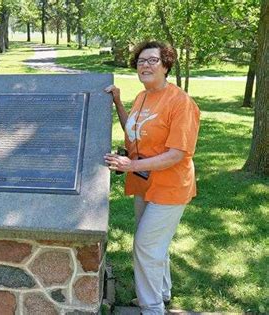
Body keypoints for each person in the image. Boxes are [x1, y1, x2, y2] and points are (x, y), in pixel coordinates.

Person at [104, 41, 200, 314]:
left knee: (145, 245)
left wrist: (130, 165)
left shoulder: (181, 102)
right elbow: (133, 130)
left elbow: (177, 154)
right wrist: (118, 103)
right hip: (144, 183)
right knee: (156, 244)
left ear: (166, 65)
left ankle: (152, 307)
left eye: (152, 60)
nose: (145, 65)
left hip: (170, 187)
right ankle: (163, 292)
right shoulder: (142, 97)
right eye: (141, 61)